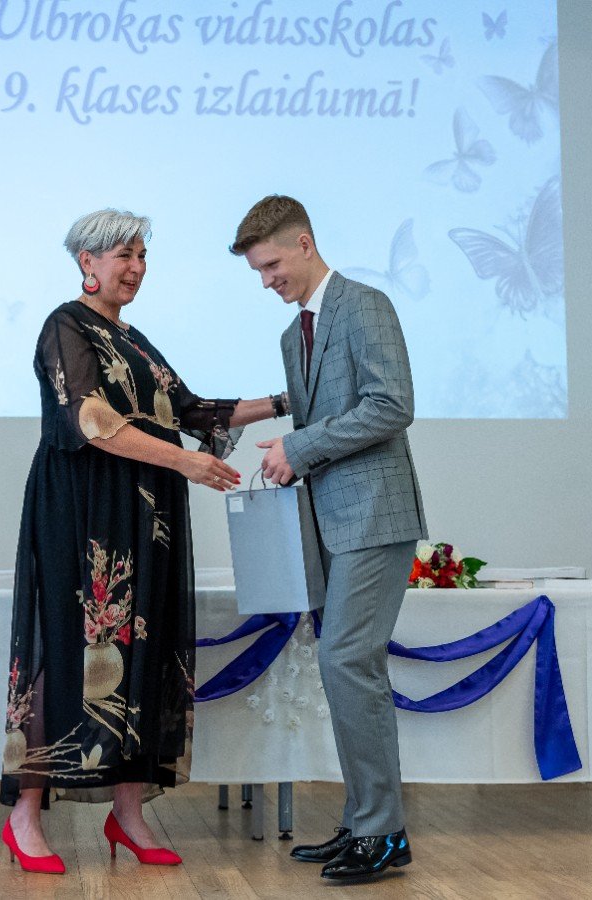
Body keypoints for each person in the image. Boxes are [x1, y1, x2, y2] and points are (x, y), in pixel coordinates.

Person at [1, 209, 287, 874]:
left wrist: (286, 400)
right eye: (122, 255)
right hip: (82, 510)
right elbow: (89, 419)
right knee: (66, 649)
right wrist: (185, 461)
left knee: (143, 650)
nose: (135, 268)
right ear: (87, 263)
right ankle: (25, 815)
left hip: (144, 513)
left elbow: (193, 411)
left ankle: (127, 813)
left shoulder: (136, 341)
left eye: (141, 255)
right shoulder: (66, 325)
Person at [230, 195, 427, 881]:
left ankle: (383, 831)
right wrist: (288, 455)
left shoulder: (365, 305)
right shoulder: (294, 336)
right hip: (327, 524)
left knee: (347, 659)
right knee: (346, 666)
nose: (267, 281)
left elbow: (392, 405)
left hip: (376, 515)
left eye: (272, 265)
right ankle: (366, 823)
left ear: (304, 244)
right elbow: (318, 423)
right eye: (258, 272)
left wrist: (301, 447)